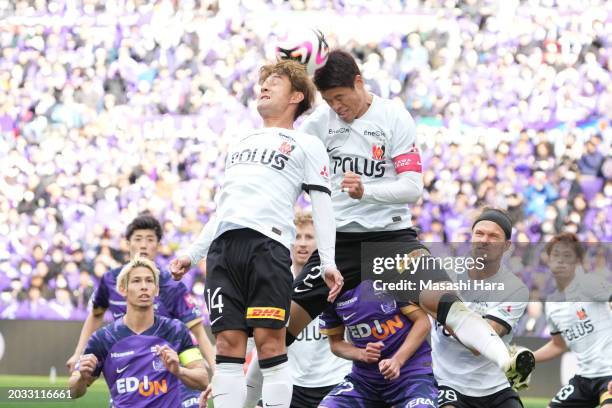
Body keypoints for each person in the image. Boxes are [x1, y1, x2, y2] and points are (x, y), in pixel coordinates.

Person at [285, 49, 533, 386]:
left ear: (359, 82)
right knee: (281, 331)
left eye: (341, 97)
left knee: (444, 300)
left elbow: (412, 187)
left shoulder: (393, 117)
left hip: (390, 238)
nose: (337, 107)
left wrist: (366, 192)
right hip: (338, 241)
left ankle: (508, 360)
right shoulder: (317, 125)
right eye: (329, 101)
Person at [170, 60, 343, 408]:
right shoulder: (241, 142)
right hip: (223, 250)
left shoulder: (306, 143)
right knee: (228, 346)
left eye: (274, 82)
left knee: (269, 344)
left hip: (268, 246)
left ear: (296, 95)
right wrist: (192, 253)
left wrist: (328, 260)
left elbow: (322, 205)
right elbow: (222, 211)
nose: (263, 87)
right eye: (263, 82)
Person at [66, 214, 215, 408]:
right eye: (138, 239)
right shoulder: (105, 333)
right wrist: (79, 360)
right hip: (128, 370)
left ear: (156, 288)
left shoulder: (173, 301)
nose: (143, 245)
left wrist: (212, 370)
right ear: (123, 289)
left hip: (171, 379)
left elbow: (199, 335)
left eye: (150, 239)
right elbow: (73, 390)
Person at [244, 212, 351, 407]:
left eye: (309, 237)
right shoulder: (275, 285)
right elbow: (258, 343)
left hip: (336, 381)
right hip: (292, 384)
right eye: (297, 237)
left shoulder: (338, 281)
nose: (302, 243)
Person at [433, 208, 529, 408]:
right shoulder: (444, 272)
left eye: (493, 236)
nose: (484, 240)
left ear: (507, 245)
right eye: (479, 233)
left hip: (496, 388)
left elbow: (480, 343)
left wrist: (440, 310)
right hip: (448, 384)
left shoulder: (514, 289)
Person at [317, 279, 436, 407]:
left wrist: (397, 360)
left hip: (411, 376)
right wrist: (361, 353)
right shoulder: (330, 291)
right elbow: (335, 344)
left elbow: (423, 321)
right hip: (364, 381)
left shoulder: (385, 277)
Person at [533, 232, 612, 408]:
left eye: (567, 255)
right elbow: (558, 345)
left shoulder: (590, 284)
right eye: (556, 255)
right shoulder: (552, 304)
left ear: (577, 261)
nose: (560, 260)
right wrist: (529, 358)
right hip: (584, 380)